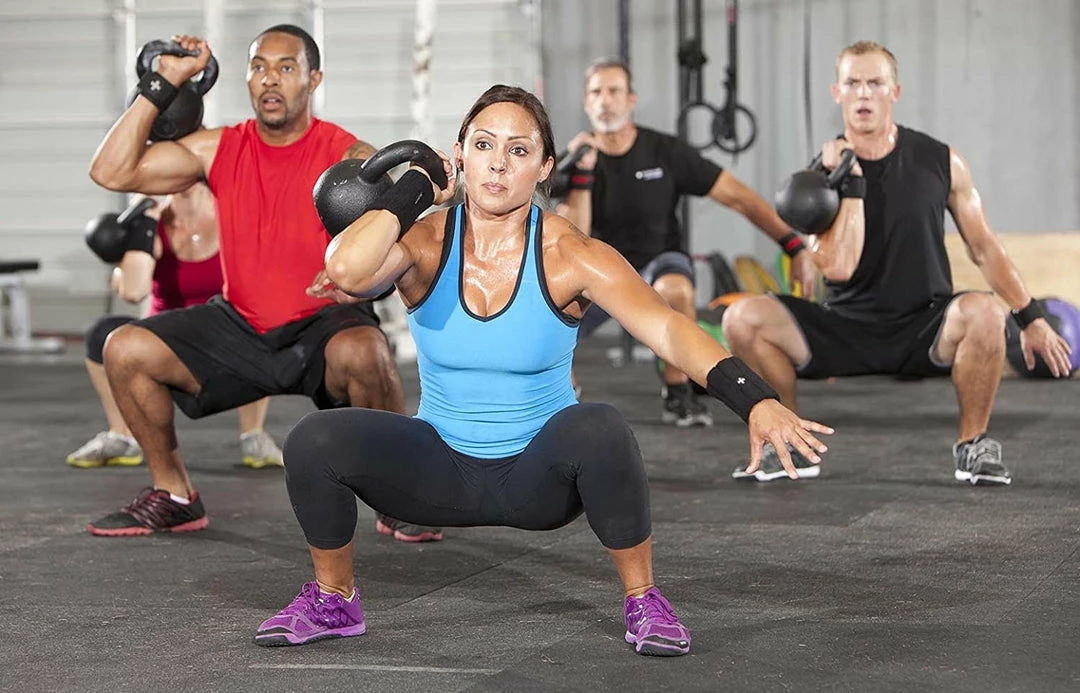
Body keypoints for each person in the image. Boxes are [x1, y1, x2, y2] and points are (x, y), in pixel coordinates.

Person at [252, 85, 833, 655]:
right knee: (314, 440)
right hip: (435, 474)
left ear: (544, 168)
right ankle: (335, 599)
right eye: (482, 145)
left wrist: (755, 399)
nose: (498, 164)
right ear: (458, 156)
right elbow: (348, 271)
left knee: (600, 426)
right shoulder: (425, 240)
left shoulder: (571, 254)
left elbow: (667, 327)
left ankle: (644, 599)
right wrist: (414, 193)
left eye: (518, 150)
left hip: (540, 479)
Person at [85, 24, 440, 541]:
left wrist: (359, 269)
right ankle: (175, 494)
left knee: (368, 352)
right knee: (125, 348)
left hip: (324, 324)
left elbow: (388, 221)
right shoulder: (219, 149)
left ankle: (400, 495)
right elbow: (111, 172)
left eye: (287, 67)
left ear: (313, 79)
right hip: (241, 328)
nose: (270, 80)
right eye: (258, 67)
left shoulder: (345, 151)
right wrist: (163, 81)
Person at [721, 40, 1071, 484]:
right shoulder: (819, 177)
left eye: (875, 83)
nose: (864, 94)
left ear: (895, 91)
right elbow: (837, 268)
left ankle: (973, 445)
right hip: (842, 327)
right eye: (853, 83)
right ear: (837, 92)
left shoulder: (941, 161)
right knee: (741, 318)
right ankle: (791, 442)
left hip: (923, 324)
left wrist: (1032, 317)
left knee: (985, 312)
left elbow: (983, 247)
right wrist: (849, 183)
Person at [557, 59, 818, 427]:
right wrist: (582, 176)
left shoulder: (665, 151)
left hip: (662, 258)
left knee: (675, 290)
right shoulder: (574, 161)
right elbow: (574, 238)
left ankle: (678, 392)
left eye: (614, 91)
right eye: (596, 92)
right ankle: (562, 397)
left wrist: (793, 245)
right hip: (603, 268)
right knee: (552, 326)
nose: (605, 101)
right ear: (586, 103)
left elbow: (738, 197)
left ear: (631, 100)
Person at [68, 183, 285, 470]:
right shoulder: (152, 225)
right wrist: (145, 223)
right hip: (166, 339)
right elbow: (133, 291)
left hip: (220, 333)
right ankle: (123, 436)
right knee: (102, 333)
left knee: (260, 322)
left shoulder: (231, 215)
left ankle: (253, 436)